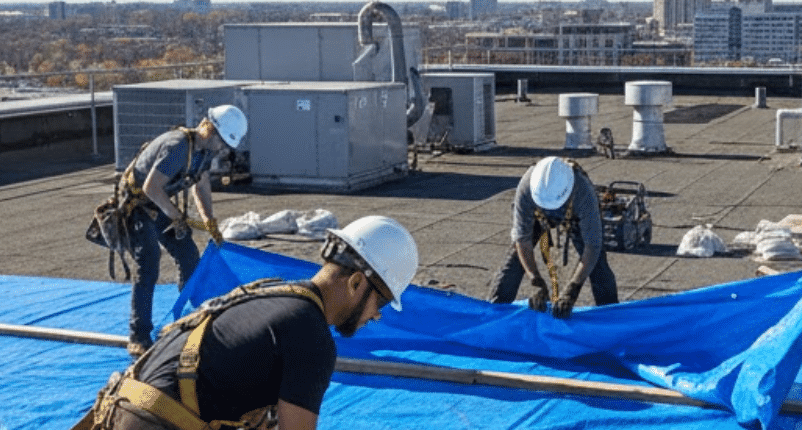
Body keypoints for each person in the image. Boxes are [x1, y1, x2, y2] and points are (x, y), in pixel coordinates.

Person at [78, 215, 419, 430]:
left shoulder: (272, 292)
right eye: (382, 301)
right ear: (356, 283)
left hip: (118, 411)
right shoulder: (312, 338)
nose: (377, 315)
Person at [116, 104, 247, 355]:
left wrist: (209, 220)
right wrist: (176, 216)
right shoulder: (177, 147)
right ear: (209, 129)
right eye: (221, 141)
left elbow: (202, 184)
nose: (221, 148)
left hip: (160, 205)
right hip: (138, 206)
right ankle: (138, 334)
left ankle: (188, 319)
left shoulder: (204, 152)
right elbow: (151, 188)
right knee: (149, 262)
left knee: (188, 255)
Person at [488, 156, 618, 317]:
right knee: (513, 262)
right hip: (536, 215)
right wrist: (535, 280)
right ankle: (494, 314)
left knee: (599, 266)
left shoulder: (583, 191)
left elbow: (592, 246)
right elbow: (522, 240)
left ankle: (611, 317)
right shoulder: (527, 187)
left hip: (574, 214)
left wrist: (573, 288)